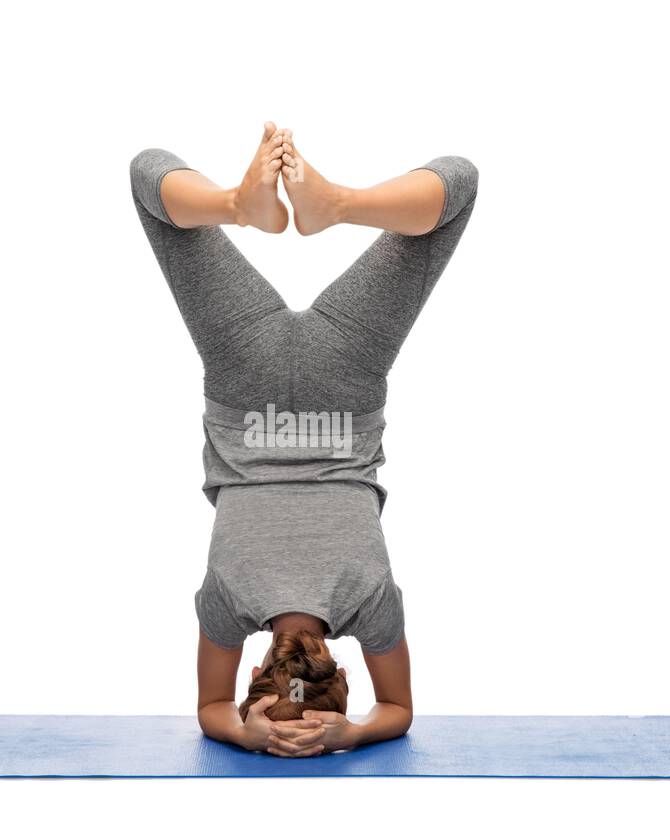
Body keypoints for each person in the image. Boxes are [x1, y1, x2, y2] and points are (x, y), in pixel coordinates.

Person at [130, 122, 478, 757]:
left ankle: (335, 204)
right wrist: (249, 728)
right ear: (255, 670)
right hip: (247, 377)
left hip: (343, 376)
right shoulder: (227, 604)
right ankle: (241, 206)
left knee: (459, 182)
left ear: (343, 677)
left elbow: (398, 710)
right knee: (146, 173)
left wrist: (353, 731)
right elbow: (210, 709)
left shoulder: (370, 604)